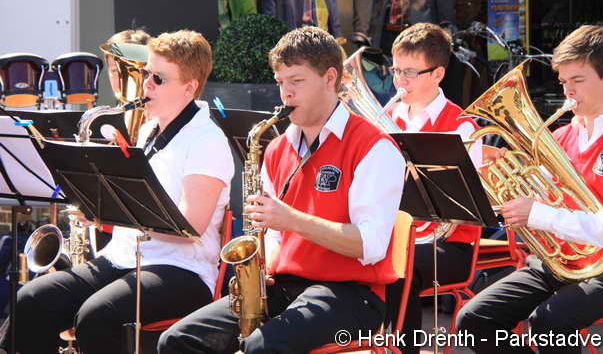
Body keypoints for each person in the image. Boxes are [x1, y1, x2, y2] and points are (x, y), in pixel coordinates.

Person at [158, 26, 406, 353]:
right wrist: (261, 270)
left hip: (351, 293)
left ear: (330, 78)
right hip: (286, 284)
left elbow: (369, 245)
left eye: (297, 81)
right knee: (179, 340)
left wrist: (292, 220)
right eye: (280, 82)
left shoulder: (374, 147)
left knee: (261, 348)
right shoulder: (276, 148)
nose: (285, 93)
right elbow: (273, 235)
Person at [9, 30, 235, 354]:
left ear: (189, 87)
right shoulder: (149, 128)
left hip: (182, 270)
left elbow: (191, 227)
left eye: (158, 78)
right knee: (31, 300)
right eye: (147, 74)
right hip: (123, 258)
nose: (146, 85)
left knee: (97, 315)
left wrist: (119, 213)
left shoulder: (207, 141)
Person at [456, 24, 603, 354]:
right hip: (559, 263)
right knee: (474, 320)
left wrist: (537, 213)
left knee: (550, 323)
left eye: (578, 80)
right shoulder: (561, 137)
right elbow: (538, 199)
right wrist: (494, 180)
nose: (568, 92)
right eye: (563, 82)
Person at [384, 22, 483, 354]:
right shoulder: (388, 117)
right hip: (399, 235)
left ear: (438, 74)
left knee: (398, 264)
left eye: (410, 73)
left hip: (450, 245)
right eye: (396, 71)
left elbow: (465, 206)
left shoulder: (463, 128)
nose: (400, 81)